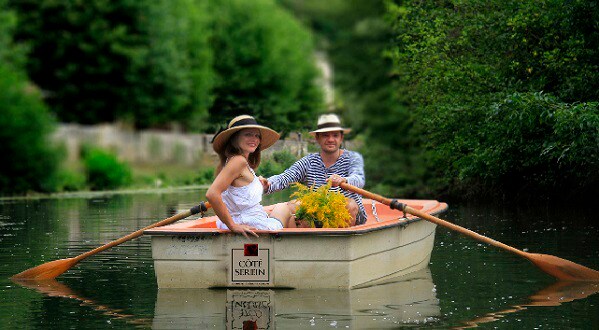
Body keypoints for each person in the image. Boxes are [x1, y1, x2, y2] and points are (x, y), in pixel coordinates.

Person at [260, 114, 367, 226]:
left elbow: (359, 179)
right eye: (325, 135)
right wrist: (268, 184)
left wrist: (344, 180)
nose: (331, 139)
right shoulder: (308, 161)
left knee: (349, 205)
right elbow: (286, 177)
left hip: (349, 215)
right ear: (317, 138)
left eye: (335, 135)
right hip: (319, 214)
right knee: (287, 206)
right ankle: (276, 234)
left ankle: (340, 242)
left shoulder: (353, 158)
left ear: (341, 138)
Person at [206, 115, 295, 238]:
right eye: (248, 134)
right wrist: (233, 226)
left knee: (286, 211)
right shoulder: (238, 161)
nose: (254, 139)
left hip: (245, 220)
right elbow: (212, 194)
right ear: (234, 138)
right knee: (285, 208)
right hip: (249, 224)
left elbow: (239, 193)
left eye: (257, 136)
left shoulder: (234, 162)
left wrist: (259, 185)